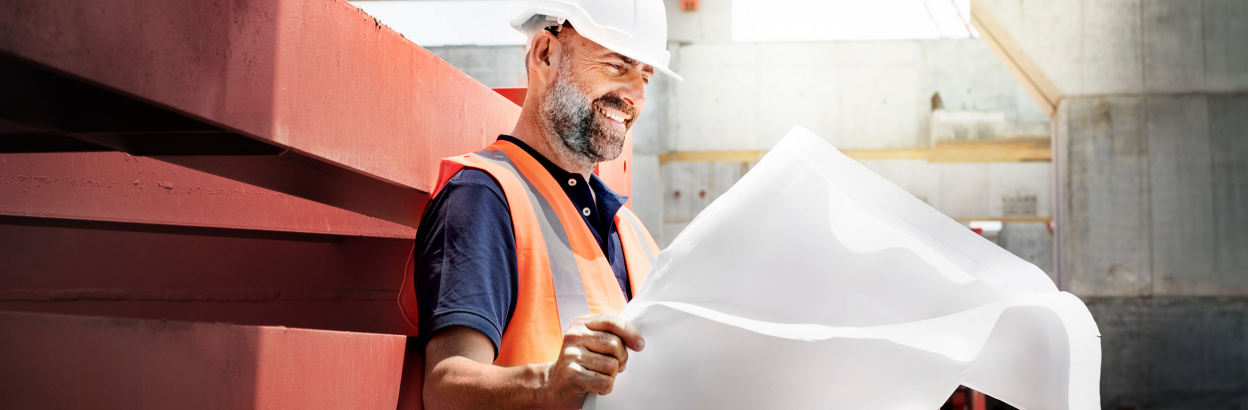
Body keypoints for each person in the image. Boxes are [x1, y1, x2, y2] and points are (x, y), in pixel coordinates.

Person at [409, 1, 682, 408]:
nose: (636, 96)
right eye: (616, 66)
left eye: (645, 76)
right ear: (545, 54)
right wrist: (546, 384)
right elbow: (444, 387)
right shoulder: (484, 197)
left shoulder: (634, 234)